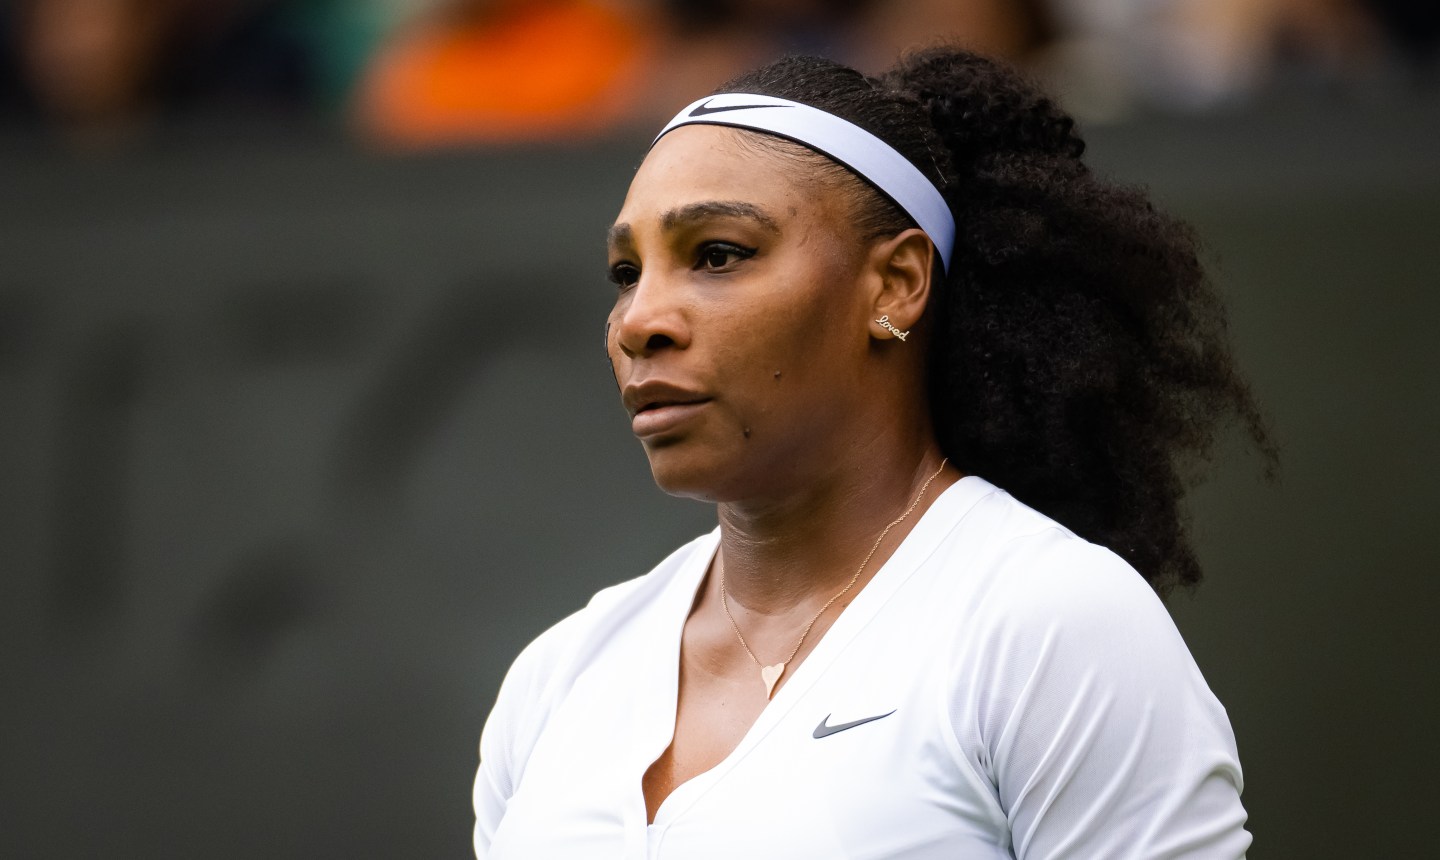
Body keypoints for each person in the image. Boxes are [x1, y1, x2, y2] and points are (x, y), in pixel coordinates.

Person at [473, 46, 1271, 858]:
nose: (641, 320)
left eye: (718, 254)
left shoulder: (1051, 625)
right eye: (625, 271)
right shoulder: (556, 676)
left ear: (895, 285)